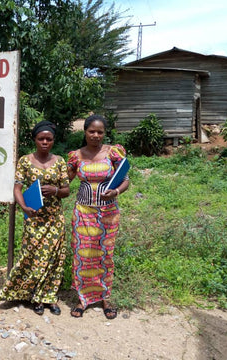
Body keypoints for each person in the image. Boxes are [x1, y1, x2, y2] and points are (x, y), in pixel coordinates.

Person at [0, 120, 70, 315]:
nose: (45, 142)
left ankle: (49, 297)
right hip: (34, 217)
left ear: (54, 140)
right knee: (33, 257)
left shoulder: (60, 161)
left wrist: (55, 190)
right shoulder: (25, 161)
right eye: (41, 138)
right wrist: (24, 207)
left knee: (54, 259)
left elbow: (66, 190)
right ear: (35, 140)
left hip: (54, 218)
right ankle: (34, 296)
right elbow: (17, 188)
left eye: (49, 139)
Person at [67, 114, 129, 319]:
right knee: (83, 255)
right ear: (84, 132)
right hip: (83, 212)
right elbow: (64, 180)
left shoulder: (113, 153)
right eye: (91, 131)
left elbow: (125, 180)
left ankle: (104, 298)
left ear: (104, 133)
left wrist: (116, 192)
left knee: (105, 256)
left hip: (108, 213)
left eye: (99, 132)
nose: (95, 135)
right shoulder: (76, 155)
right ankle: (82, 299)